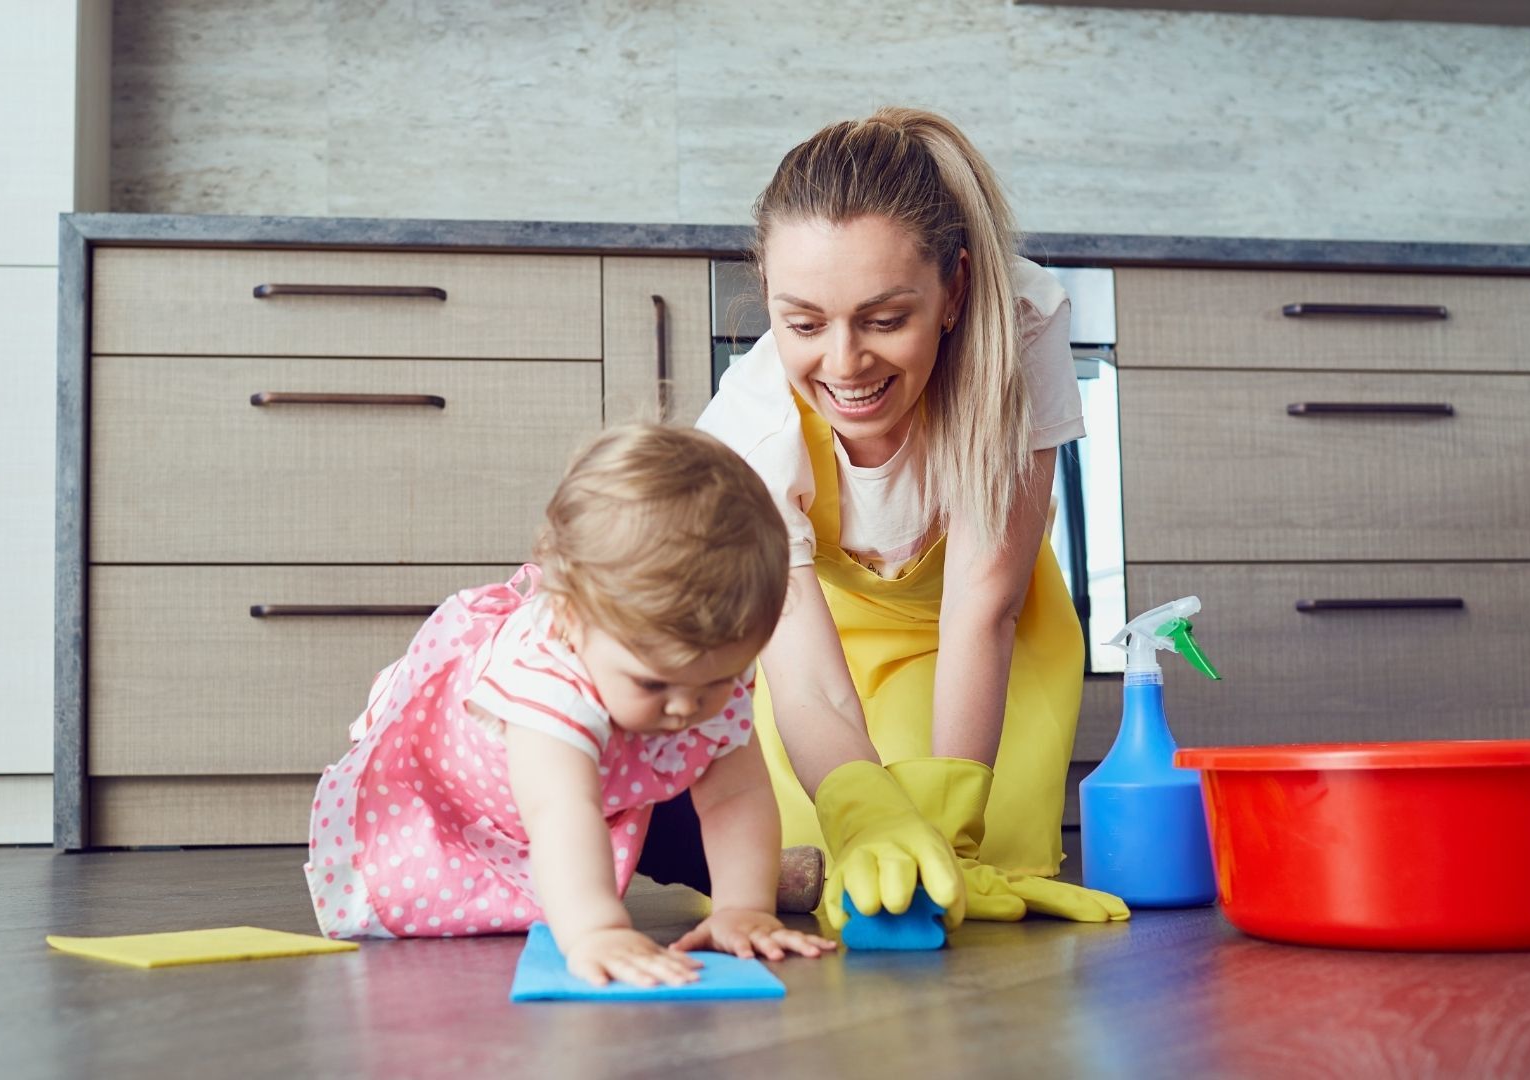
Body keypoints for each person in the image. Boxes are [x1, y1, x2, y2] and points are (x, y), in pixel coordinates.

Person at [665, 107, 1131, 929]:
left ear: (953, 289)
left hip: (987, 629)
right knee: (830, 863)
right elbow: (804, 674)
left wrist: (949, 830)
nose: (844, 365)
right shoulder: (749, 427)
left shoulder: (1018, 327)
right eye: (803, 324)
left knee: (978, 884)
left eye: (885, 320)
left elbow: (983, 603)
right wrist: (863, 810)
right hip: (822, 650)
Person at [306, 424, 834, 987]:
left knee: (662, 788)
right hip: (459, 791)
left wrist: (743, 908)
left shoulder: (705, 667)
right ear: (572, 620)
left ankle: (744, 875)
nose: (687, 707)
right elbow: (562, 811)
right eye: (655, 684)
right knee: (550, 846)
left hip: (609, 777)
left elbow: (736, 795)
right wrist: (597, 929)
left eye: (716, 681)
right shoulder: (548, 682)